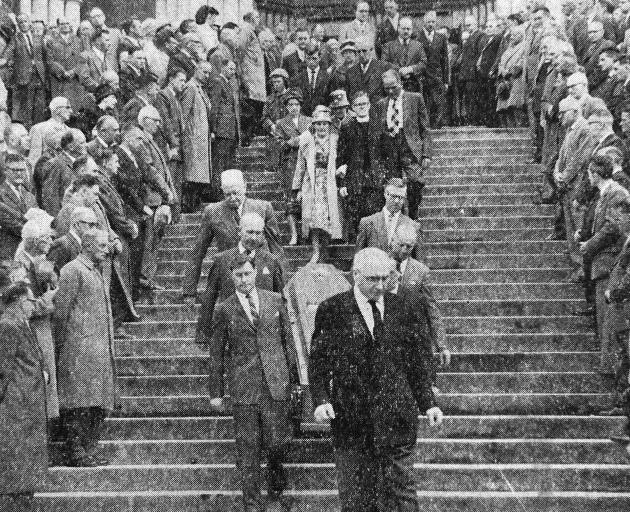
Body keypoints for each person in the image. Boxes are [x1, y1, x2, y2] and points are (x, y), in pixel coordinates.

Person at [310, 247, 442, 512]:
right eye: (373, 279)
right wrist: (322, 399)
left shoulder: (406, 307)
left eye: (386, 278)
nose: (381, 286)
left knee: (402, 495)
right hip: (352, 420)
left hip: (397, 419)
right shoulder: (332, 309)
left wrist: (428, 403)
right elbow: (319, 361)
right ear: (356, 275)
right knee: (357, 499)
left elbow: (418, 363)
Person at [207, 253, 298, 511]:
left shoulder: (275, 300)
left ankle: (276, 496)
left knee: (277, 444)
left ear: (255, 273)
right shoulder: (224, 309)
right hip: (244, 389)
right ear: (231, 277)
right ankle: (252, 505)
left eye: (247, 274)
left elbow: (288, 343)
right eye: (238, 275)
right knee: (248, 452)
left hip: (275, 385)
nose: (244, 280)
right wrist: (216, 391)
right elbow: (216, 353)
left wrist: (292, 379)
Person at [53, 229, 115, 467]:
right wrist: (63, 347)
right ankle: (76, 451)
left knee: (96, 401)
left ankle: (89, 449)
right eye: (101, 245)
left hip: (98, 348)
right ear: (87, 246)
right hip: (78, 349)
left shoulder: (97, 271)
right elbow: (61, 313)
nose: (106, 249)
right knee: (77, 401)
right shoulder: (72, 270)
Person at [183, 169, 283, 303]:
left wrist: (283, 286)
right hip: (230, 280)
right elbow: (197, 252)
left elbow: (277, 250)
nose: (232, 198)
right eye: (227, 194)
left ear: (245, 187)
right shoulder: (212, 212)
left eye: (236, 193)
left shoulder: (263, 208)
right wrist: (189, 291)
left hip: (260, 277)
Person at [195, 212, 285, 346]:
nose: (254, 238)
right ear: (239, 231)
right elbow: (209, 297)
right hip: (233, 334)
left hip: (265, 335)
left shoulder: (271, 261)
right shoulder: (222, 260)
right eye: (249, 232)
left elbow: (281, 299)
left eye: (258, 233)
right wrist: (203, 334)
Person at [0, 281, 48, 512]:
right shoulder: (8, 325)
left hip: (26, 406)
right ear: (19, 301)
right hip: (15, 408)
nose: (34, 305)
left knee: (23, 472)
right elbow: (2, 369)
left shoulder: (21, 323)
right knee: (14, 473)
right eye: (31, 300)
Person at [578, 155, 630, 355]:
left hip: (610, 259)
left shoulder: (617, 193)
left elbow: (614, 227)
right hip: (601, 261)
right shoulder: (605, 193)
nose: (589, 177)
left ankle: (609, 363)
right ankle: (607, 362)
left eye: (590, 173)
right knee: (603, 316)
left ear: (596, 174)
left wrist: (589, 244)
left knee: (608, 317)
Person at [15, 218, 60, 423]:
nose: (51, 242)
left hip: (41, 331)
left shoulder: (37, 262)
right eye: (46, 239)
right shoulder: (20, 267)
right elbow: (25, 309)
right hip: (33, 333)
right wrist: (47, 300)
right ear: (34, 242)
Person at [373, 69, 432, 220]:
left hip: (409, 147)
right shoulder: (381, 104)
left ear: (400, 82)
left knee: (415, 182)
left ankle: (413, 214)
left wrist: (426, 154)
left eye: (394, 87)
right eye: (387, 88)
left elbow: (425, 129)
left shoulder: (415, 99)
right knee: (392, 186)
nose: (391, 91)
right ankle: (397, 218)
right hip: (390, 149)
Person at [389, 222, 450, 368]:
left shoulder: (420, 271)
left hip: (410, 338)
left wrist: (442, 346)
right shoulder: (379, 264)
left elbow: (431, 309)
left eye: (409, 247)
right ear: (393, 241)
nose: (404, 250)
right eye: (401, 244)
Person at [293, 106, 344, 264]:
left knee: (328, 217)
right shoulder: (307, 140)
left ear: (329, 125)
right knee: (313, 218)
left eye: (325, 124)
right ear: (314, 125)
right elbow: (300, 165)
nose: (322, 127)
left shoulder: (335, 140)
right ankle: (315, 251)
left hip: (330, 182)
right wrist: (298, 188)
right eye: (318, 124)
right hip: (312, 183)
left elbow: (341, 160)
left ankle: (326, 251)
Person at [555, 96, 596, 279]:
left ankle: (583, 268)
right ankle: (577, 266)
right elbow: (561, 156)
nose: (560, 117)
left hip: (577, 186)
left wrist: (564, 176)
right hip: (567, 186)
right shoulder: (569, 130)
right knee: (571, 227)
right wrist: (557, 172)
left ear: (574, 112)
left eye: (563, 113)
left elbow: (580, 159)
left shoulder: (584, 129)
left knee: (579, 227)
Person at [337, 91, 381, 238]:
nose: (361, 107)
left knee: (375, 216)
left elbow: (388, 155)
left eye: (364, 104)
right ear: (353, 108)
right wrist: (342, 183)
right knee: (357, 219)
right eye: (357, 104)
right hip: (355, 179)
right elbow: (341, 157)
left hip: (375, 179)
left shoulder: (378, 126)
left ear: (369, 105)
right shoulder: (347, 127)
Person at [274, 88, 312, 245]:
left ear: (300, 105)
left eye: (296, 104)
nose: (294, 107)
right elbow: (278, 144)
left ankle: (307, 233)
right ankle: (294, 234)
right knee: (291, 200)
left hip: (307, 163)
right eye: (290, 104)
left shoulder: (309, 121)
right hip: (290, 165)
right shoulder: (281, 123)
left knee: (307, 197)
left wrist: (298, 141)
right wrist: (292, 142)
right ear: (286, 107)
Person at [356, 177, 424, 259]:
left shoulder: (413, 226)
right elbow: (357, 260)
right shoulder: (367, 223)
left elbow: (420, 265)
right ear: (385, 194)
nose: (396, 201)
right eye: (393, 196)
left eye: (400, 197)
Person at [181, 61, 214, 210]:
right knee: (193, 174)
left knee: (199, 174)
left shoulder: (200, 88)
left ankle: (194, 203)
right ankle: (189, 205)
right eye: (204, 72)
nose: (206, 75)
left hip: (201, 139)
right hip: (193, 138)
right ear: (196, 70)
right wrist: (187, 135)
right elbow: (184, 114)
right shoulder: (190, 88)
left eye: (209, 73)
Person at [5, 14, 47, 129]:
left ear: (29, 23)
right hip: (24, 77)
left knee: (39, 106)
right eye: (20, 22)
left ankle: (38, 129)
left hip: (39, 75)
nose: (23, 24)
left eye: (25, 21)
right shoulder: (15, 39)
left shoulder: (38, 38)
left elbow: (46, 56)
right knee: (27, 106)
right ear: (18, 25)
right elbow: (8, 53)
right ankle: (27, 130)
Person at [40, 129, 87, 216]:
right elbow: (50, 198)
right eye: (82, 143)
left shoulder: (80, 163)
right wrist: (58, 223)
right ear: (71, 147)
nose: (86, 145)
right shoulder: (55, 164)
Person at [46, 17, 88, 113]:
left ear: (70, 25)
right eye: (62, 24)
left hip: (74, 80)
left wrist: (74, 71)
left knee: (74, 109)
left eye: (67, 23)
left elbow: (83, 59)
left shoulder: (77, 40)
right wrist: (63, 72)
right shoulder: (51, 41)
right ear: (58, 26)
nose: (65, 25)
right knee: (60, 109)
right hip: (59, 81)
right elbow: (50, 61)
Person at [0, 154, 37, 260]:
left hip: (29, 251)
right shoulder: (1, 194)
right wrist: (35, 232)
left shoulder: (29, 195)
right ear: (6, 171)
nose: (19, 173)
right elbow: (8, 222)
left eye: (22, 170)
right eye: (14, 170)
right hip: (10, 250)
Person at [238, 12, 268, 145]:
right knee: (252, 107)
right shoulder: (246, 30)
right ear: (250, 19)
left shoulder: (251, 31)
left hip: (255, 77)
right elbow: (240, 49)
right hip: (250, 76)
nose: (258, 20)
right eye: (256, 17)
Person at [210, 59, 241, 183]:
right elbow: (215, 107)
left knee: (227, 164)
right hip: (221, 131)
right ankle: (217, 192)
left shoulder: (228, 83)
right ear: (223, 68)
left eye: (234, 69)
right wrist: (213, 129)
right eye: (230, 69)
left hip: (229, 131)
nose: (233, 72)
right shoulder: (218, 82)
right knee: (219, 164)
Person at [418, 10, 450, 128]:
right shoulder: (417, 37)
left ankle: (437, 130)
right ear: (424, 22)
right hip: (423, 77)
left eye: (433, 22)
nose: (431, 24)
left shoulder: (441, 37)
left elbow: (445, 60)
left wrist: (446, 81)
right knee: (425, 105)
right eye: (428, 22)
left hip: (437, 78)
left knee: (438, 105)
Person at [381, 17, 427, 94]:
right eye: (403, 28)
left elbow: (423, 63)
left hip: (414, 86)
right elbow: (384, 63)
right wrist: (399, 70)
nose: (406, 31)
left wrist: (410, 69)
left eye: (408, 29)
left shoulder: (418, 46)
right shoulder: (388, 46)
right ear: (398, 28)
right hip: (394, 87)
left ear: (412, 30)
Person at [47, 206, 99, 272]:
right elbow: (52, 276)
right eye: (91, 225)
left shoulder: (83, 245)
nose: (95, 229)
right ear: (77, 225)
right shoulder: (62, 244)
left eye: (96, 225)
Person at [28, 97, 73, 167]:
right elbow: (34, 159)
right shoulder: (39, 129)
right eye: (67, 107)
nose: (71, 111)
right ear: (57, 109)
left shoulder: (70, 131)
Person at [459, 15, 487, 125]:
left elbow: (480, 54)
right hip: (467, 74)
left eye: (469, 25)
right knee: (470, 98)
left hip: (474, 74)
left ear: (476, 24)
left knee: (474, 98)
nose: (467, 27)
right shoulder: (469, 36)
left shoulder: (481, 36)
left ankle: (476, 121)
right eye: (466, 25)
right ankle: (472, 120)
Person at [346, 37, 391, 103]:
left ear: (371, 50)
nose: (361, 55)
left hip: (378, 109)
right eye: (358, 51)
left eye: (364, 51)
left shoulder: (383, 67)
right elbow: (349, 96)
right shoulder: (350, 72)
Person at [261, 68, 288, 171]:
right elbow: (264, 118)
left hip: (287, 137)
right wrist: (271, 125)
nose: (276, 84)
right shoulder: (269, 100)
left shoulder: (291, 98)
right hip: (273, 138)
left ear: (285, 81)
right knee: (272, 167)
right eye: (274, 82)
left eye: (278, 82)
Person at [89, 7, 121, 72]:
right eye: (93, 17)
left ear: (104, 17)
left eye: (98, 16)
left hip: (113, 71)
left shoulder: (115, 32)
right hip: (96, 72)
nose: (96, 18)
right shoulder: (88, 35)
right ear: (91, 20)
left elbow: (122, 52)